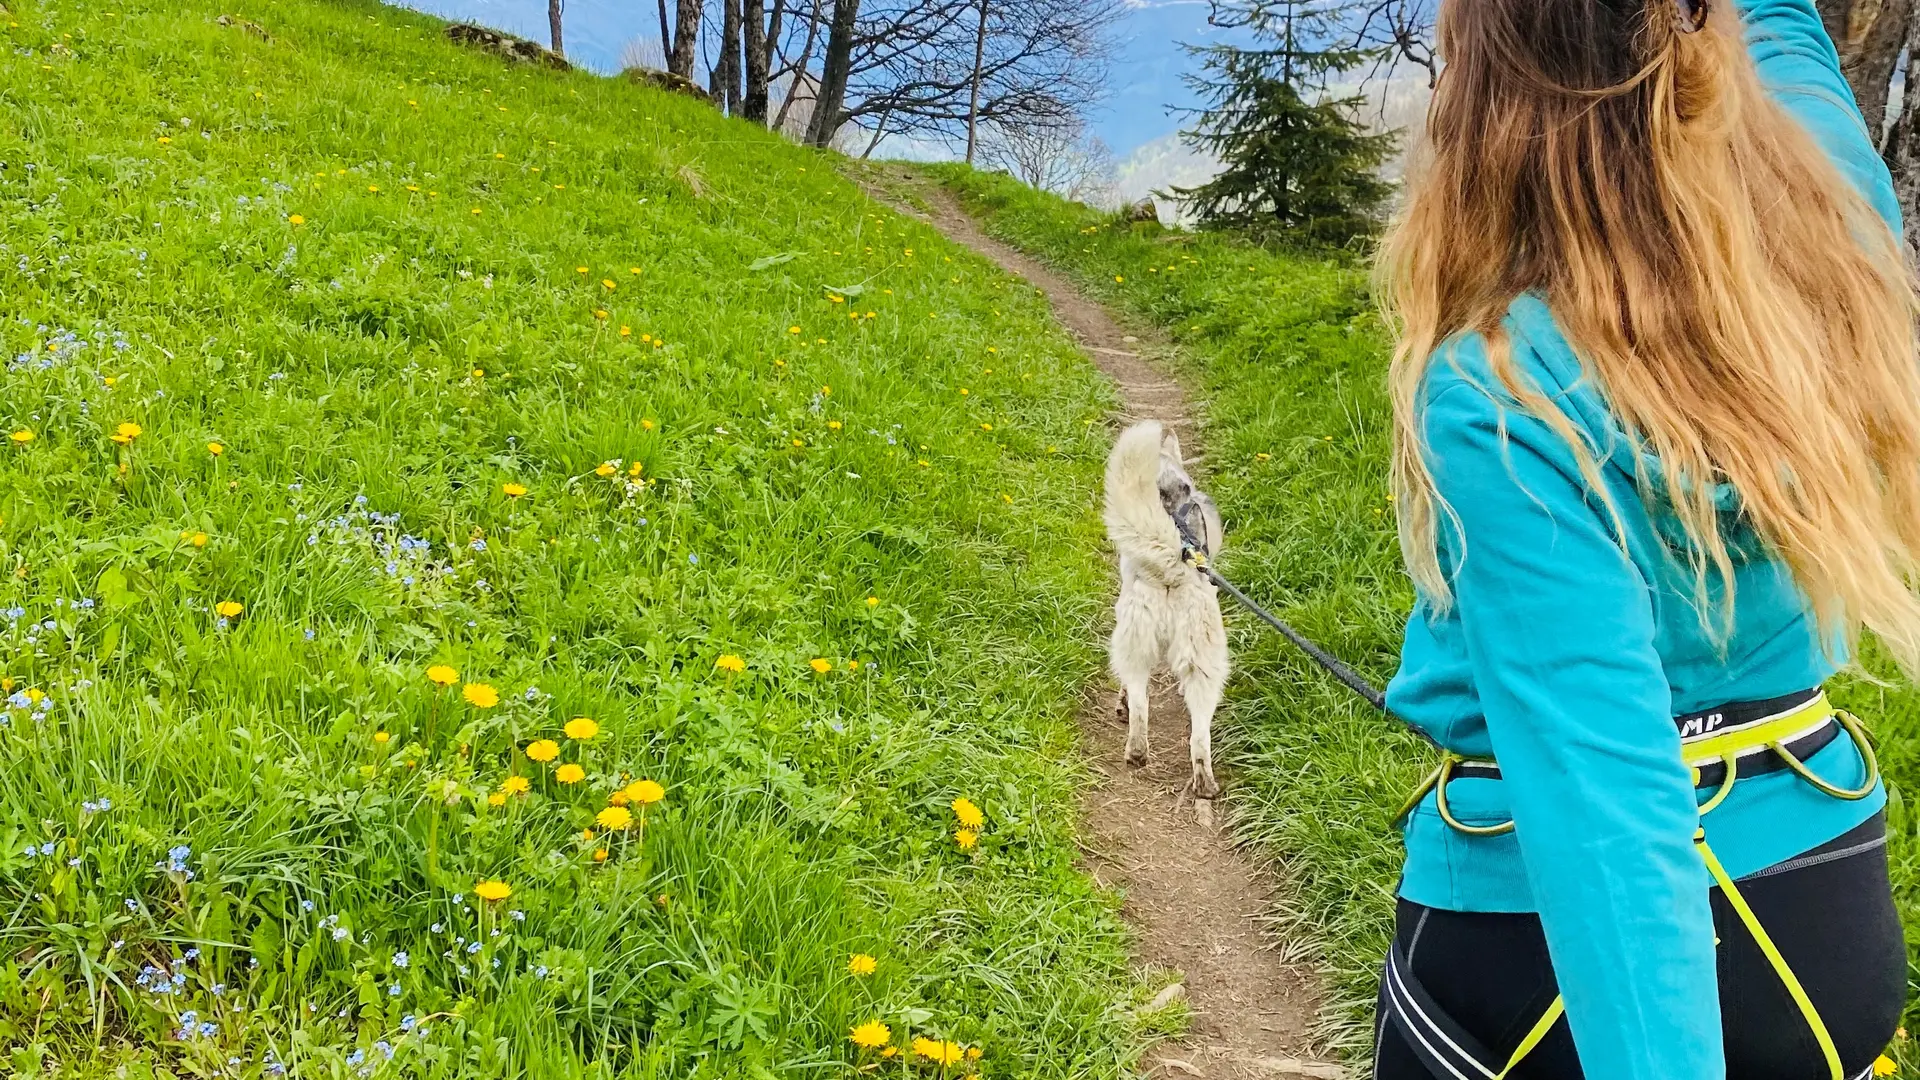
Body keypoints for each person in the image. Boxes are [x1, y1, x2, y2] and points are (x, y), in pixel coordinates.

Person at [1374, 0, 1918, 1077]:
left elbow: (1606, 810)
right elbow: (1786, 32)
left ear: (1493, 100)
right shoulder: (1833, 227)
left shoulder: (1509, 391)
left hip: (1549, 953)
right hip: (1821, 899)